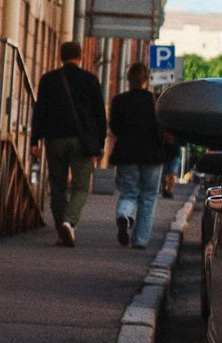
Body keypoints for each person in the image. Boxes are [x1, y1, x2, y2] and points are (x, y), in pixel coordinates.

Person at [30, 41, 107, 247]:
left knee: (57, 187)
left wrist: (34, 140)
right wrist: (100, 143)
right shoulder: (90, 80)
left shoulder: (48, 80)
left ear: (60, 57)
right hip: (82, 142)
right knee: (81, 187)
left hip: (54, 140)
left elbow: (40, 112)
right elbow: (100, 114)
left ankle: (61, 231)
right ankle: (69, 221)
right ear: (80, 57)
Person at [108, 61, 175, 247]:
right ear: (147, 79)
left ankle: (124, 216)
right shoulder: (156, 100)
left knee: (128, 193)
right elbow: (165, 128)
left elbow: (114, 128)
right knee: (148, 197)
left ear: (128, 79)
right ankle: (140, 240)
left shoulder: (119, 101)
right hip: (152, 155)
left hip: (126, 154)